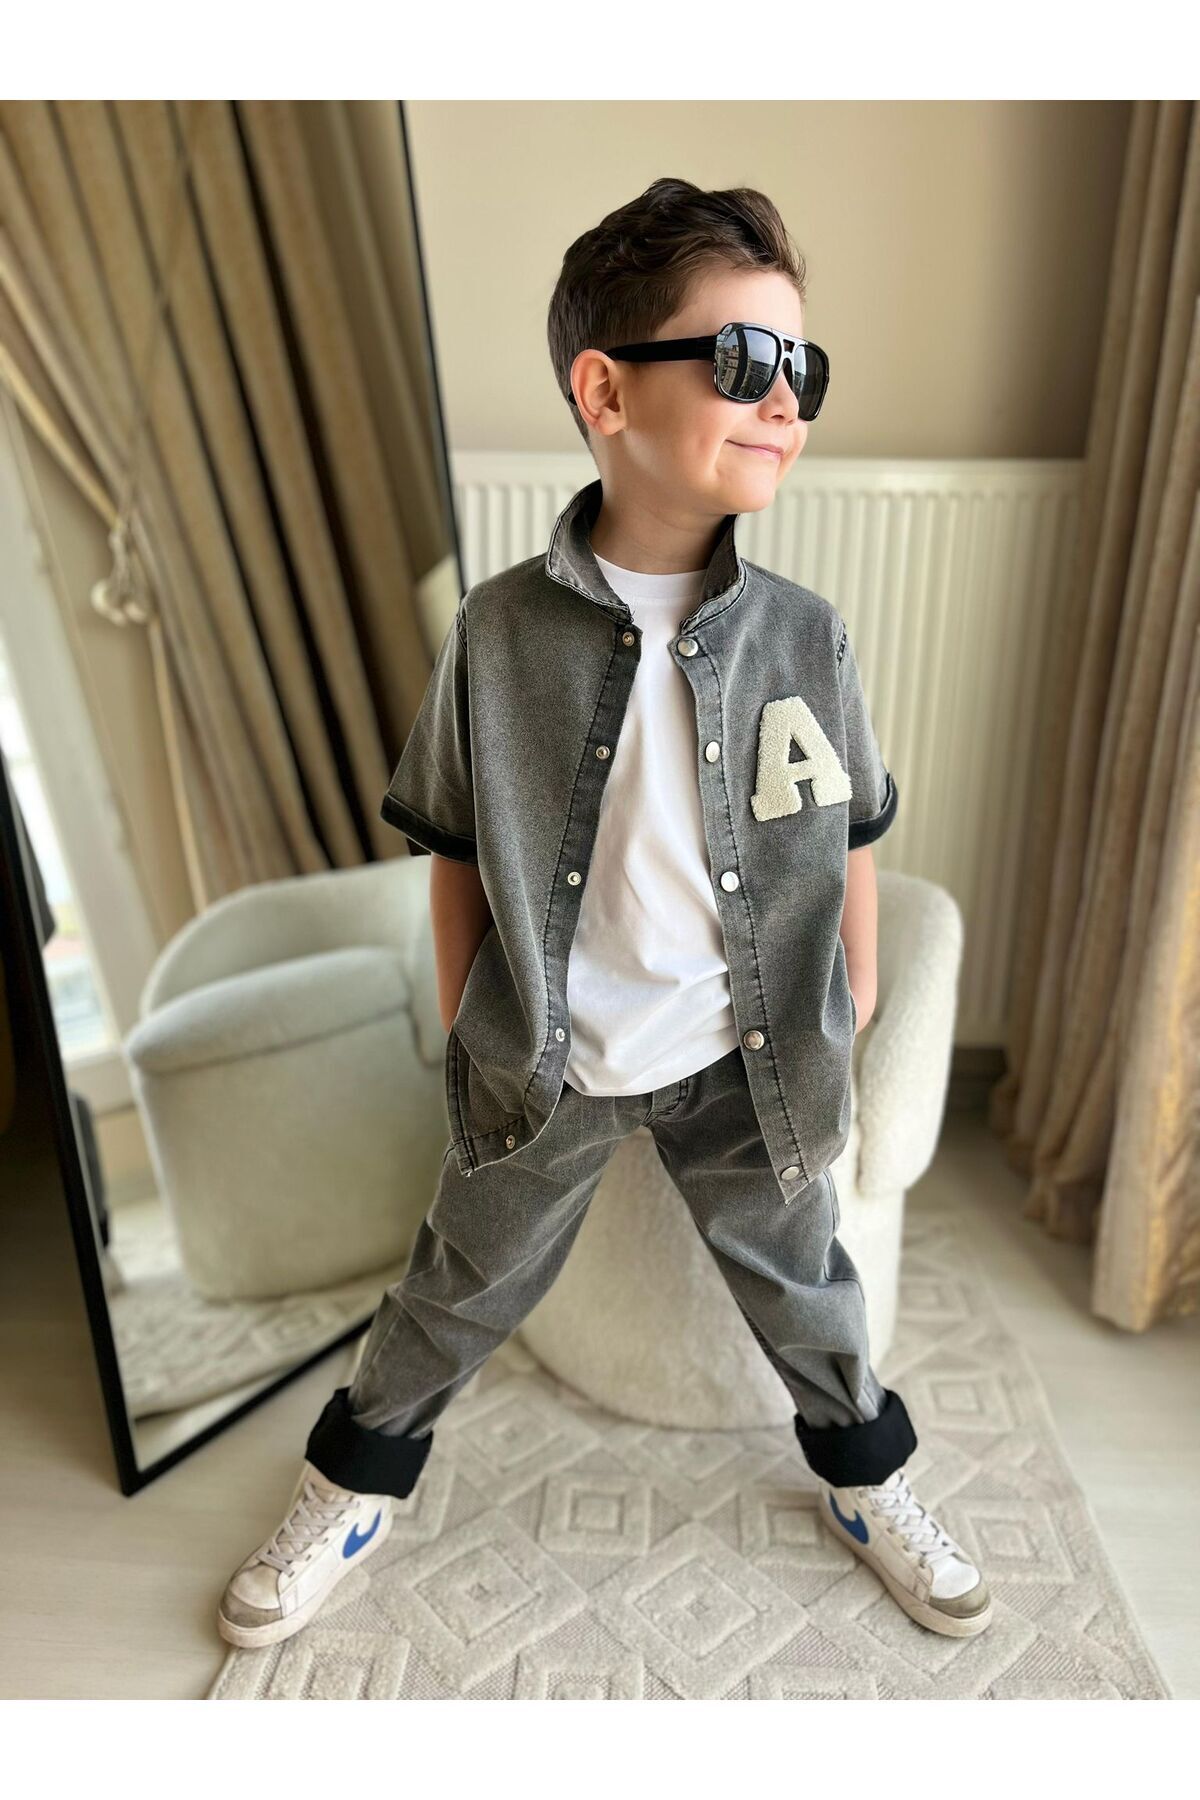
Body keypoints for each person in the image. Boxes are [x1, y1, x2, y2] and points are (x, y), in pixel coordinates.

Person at [217, 177, 992, 1652]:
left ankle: (865, 1477)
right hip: (556, 1062)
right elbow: (453, 843)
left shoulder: (806, 638)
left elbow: (854, 830)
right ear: (605, 390)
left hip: (742, 1058)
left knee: (807, 1283)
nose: (785, 401)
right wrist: (474, 1018)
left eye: (803, 368)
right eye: (746, 362)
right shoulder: (499, 632)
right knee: (456, 1283)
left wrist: (855, 992)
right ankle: (352, 1483)